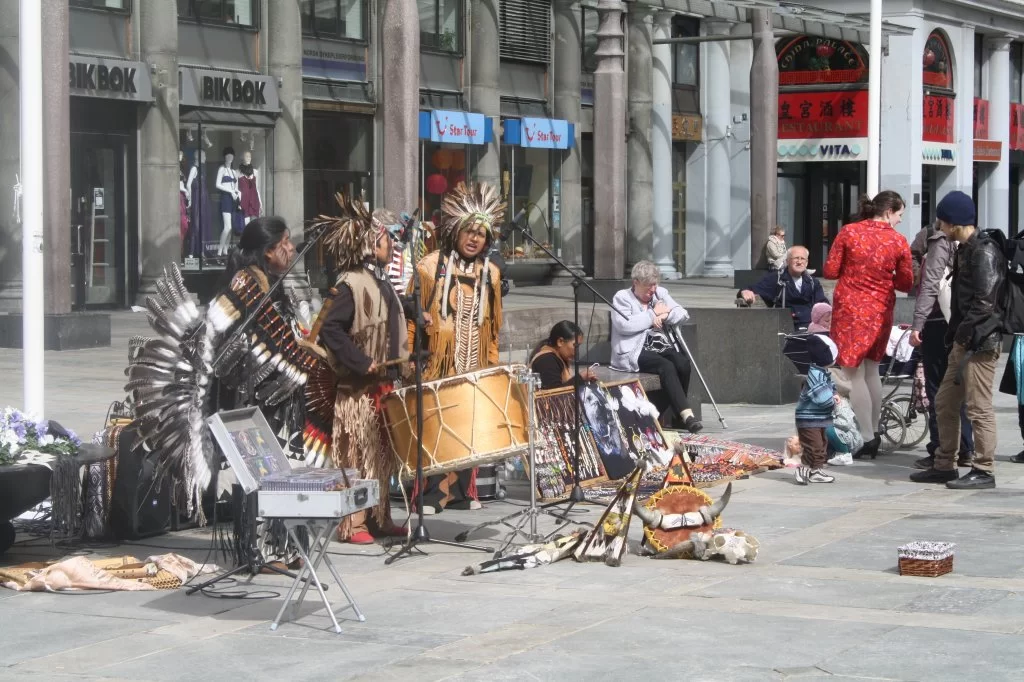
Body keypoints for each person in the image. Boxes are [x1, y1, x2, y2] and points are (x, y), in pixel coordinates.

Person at [309, 194, 411, 543]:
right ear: (371, 243)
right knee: (356, 458)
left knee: (381, 458)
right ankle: (354, 523)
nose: (392, 245)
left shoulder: (381, 281)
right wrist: (361, 361)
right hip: (358, 390)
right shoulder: (350, 284)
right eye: (386, 240)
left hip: (383, 388)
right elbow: (329, 330)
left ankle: (380, 516)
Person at [414, 181, 506, 514]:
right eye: (468, 231)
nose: (474, 239)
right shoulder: (429, 267)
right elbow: (414, 318)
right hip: (438, 365)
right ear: (455, 232)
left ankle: (460, 493)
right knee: (438, 429)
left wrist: (491, 365)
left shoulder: (491, 274)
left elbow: (493, 328)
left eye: (480, 234)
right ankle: (431, 495)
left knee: (468, 428)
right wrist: (413, 361)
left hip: (474, 364)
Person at [911, 191, 1002, 489]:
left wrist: (962, 335)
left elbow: (985, 304)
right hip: (963, 339)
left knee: (978, 407)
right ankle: (944, 464)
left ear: (952, 221)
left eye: (941, 219)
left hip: (981, 343)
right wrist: (955, 335)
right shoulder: (962, 248)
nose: (938, 225)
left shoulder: (984, 251)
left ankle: (984, 469)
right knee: (945, 402)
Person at [823, 191, 914, 459]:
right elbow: (906, 283)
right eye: (899, 215)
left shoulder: (849, 232)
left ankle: (866, 436)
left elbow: (830, 270)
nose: (899, 220)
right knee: (873, 369)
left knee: (854, 373)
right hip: (880, 310)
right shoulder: (898, 240)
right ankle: (874, 430)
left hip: (851, 308)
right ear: (888, 212)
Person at [908, 220, 975, 469]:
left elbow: (929, 285)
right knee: (961, 386)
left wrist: (918, 323)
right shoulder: (974, 241)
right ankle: (965, 447)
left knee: (939, 389)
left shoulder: (936, 239)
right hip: (963, 323)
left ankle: (941, 448)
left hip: (938, 322)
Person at [611, 260, 702, 433]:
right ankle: (687, 416)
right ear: (635, 283)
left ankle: (672, 415)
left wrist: (666, 314)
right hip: (633, 350)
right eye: (648, 287)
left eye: (654, 285)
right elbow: (624, 325)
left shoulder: (660, 293)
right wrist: (652, 314)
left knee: (682, 363)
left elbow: (682, 313)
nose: (652, 290)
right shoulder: (622, 298)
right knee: (666, 367)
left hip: (660, 346)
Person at [738, 246, 828, 329]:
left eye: (802, 259)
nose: (799, 262)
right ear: (787, 261)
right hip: (786, 327)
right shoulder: (777, 278)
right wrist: (745, 291)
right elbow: (754, 288)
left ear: (806, 262)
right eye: (796, 258)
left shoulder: (813, 282)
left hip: (809, 327)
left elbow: (822, 304)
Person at [794, 334, 839, 484]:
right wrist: (832, 400)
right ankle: (803, 469)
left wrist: (834, 393)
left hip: (818, 418)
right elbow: (821, 397)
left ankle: (816, 471)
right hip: (808, 419)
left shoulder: (822, 372)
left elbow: (829, 387)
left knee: (822, 444)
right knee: (813, 446)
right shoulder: (815, 374)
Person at [530, 321, 599, 390]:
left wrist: (584, 380)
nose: (577, 351)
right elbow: (553, 394)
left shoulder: (558, 358)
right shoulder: (546, 360)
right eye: (575, 346)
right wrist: (580, 378)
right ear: (560, 342)